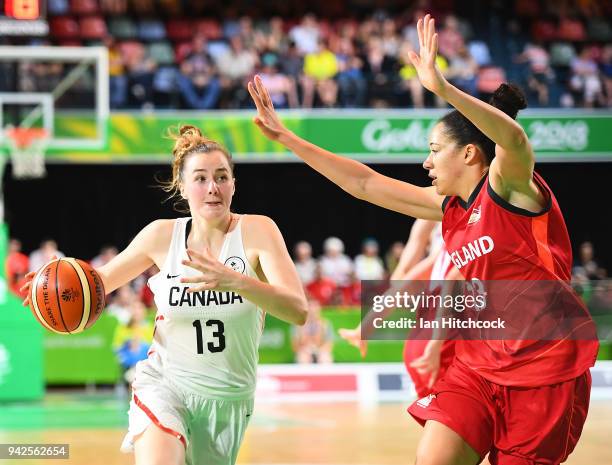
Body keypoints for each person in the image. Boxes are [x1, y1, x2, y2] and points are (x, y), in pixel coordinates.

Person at [248, 15, 598, 465]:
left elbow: (512, 139)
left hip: (546, 367)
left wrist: (444, 89)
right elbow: (365, 184)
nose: (426, 161)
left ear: (470, 153)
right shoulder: (449, 209)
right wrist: (287, 139)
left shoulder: (510, 188)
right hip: (478, 364)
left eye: (434, 150)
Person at [21, 125, 307, 465]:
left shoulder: (258, 230)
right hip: (166, 385)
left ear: (233, 184)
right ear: (182, 187)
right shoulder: (160, 237)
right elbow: (97, 283)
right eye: (200, 178)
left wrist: (237, 281)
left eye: (221, 176)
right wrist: (53, 288)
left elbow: (298, 311)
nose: (212, 187)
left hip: (228, 400)